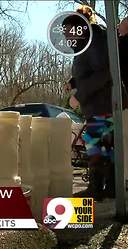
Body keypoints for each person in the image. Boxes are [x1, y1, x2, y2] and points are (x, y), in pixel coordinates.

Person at [64, 6, 113, 200]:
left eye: (68, 32)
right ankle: (105, 189)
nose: (67, 37)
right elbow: (91, 70)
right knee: (100, 147)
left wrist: (79, 95)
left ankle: (97, 189)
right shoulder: (87, 42)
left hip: (102, 103)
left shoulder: (94, 41)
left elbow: (104, 73)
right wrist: (74, 82)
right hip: (98, 104)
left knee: (99, 147)